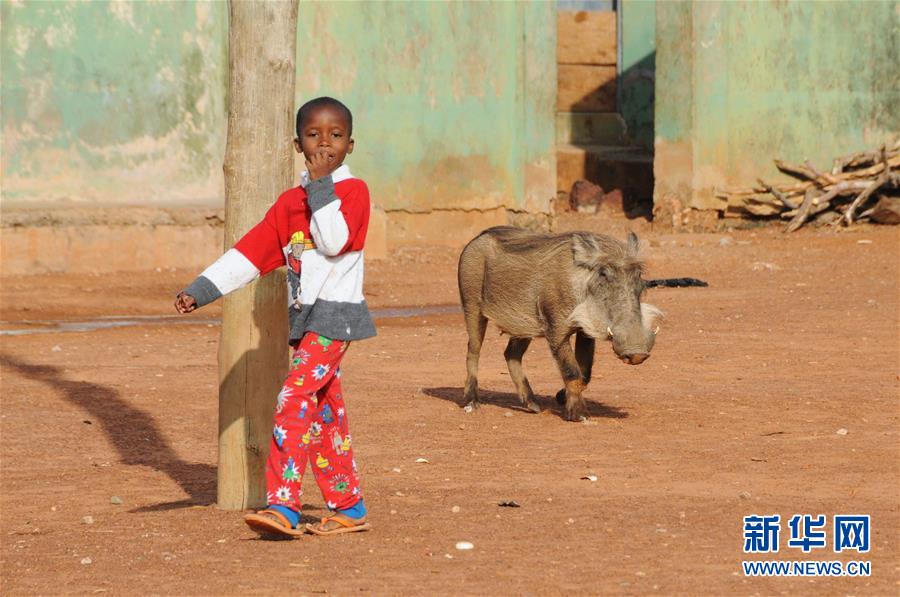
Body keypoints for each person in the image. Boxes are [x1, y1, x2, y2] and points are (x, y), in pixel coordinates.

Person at [175, 97, 375, 537]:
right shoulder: (288, 205)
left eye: (336, 136)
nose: (325, 144)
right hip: (306, 322)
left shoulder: (353, 193)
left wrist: (321, 187)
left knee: (292, 397)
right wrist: (201, 289)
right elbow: (250, 254)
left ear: (351, 145)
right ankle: (350, 506)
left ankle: (283, 505)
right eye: (314, 135)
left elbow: (334, 241)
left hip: (336, 318)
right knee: (323, 414)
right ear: (298, 144)